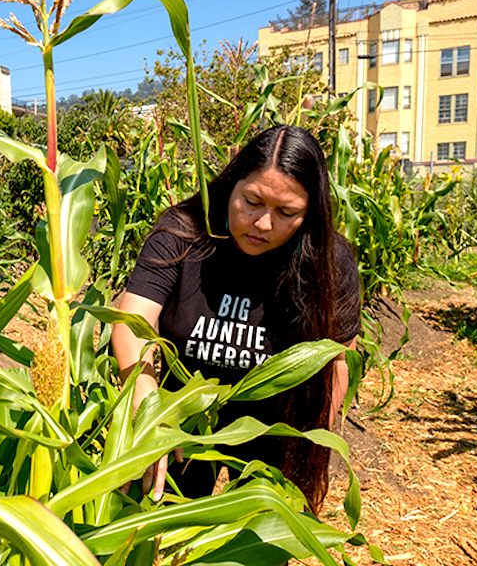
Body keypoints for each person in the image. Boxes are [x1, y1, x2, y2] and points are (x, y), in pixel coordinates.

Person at [111, 125, 361, 514]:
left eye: (286, 212)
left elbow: (337, 359)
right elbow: (133, 318)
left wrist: (315, 438)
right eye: (252, 201)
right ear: (231, 184)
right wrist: (148, 403)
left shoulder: (328, 262)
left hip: (277, 426)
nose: (263, 224)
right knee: (166, 530)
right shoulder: (182, 233)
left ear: (310, 213)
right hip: (182, 419)